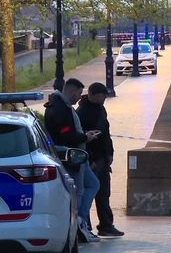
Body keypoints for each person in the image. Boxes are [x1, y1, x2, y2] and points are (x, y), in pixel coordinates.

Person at [44, 78, 101, 242]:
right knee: (79, 191)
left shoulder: (59, 106)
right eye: (78, 94)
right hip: (73, 157)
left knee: (93, 184)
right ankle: (80, 225)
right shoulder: (61, 109)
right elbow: (67, 135)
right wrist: (86, 137)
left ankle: (81, 223)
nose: (78, 98)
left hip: (78, 155)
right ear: (72, 91)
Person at [77, 82, 124, 236]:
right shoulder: (82, 112)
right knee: (88, 194)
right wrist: (90, 160)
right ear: (94, 95)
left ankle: (106, 224)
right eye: (103, 95)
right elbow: (82, 138)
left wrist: (110, 152)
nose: (105, 98)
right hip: (92, 160)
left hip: (103, 157)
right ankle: (86, 225)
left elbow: (106, 133)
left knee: (104, 193)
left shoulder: (100, 109)